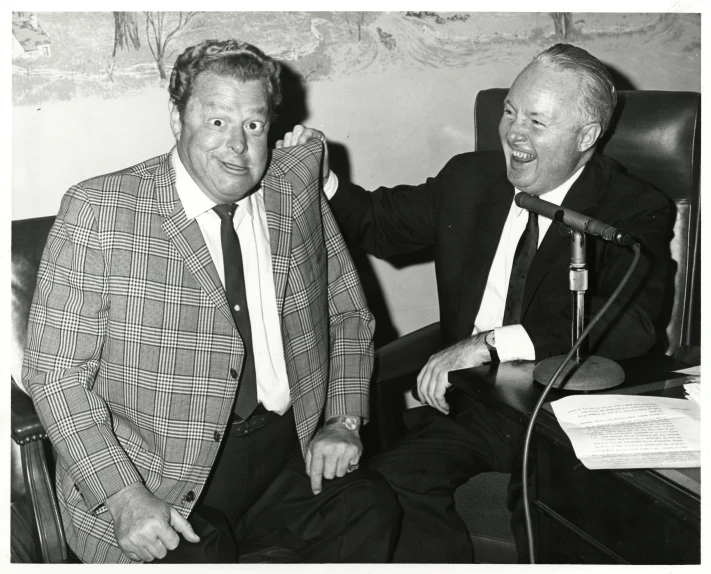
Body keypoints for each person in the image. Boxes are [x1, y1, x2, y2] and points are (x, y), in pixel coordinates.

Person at [277, 43, 670, 562]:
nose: (514, 133)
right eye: (510, 111)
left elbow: (631, 320)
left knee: (542, 510)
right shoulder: (470, 178)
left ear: (587, 136)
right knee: (391, 484)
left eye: (537, 120)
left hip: (564, 415)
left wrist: (484, 345)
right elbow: (380, 222)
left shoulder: (631, 208)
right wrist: (322, 179)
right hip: (477, 407)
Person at [22, 39, 401, 564]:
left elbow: (349, 316)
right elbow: (55, 374)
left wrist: (343, 418)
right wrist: (126, 497)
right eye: (217, 121)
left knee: (372, 509)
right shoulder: (101, 212)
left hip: (286, 450)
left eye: (253, 124)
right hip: (160, 478)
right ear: (177, 119)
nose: (237, 147)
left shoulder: (292, 191)